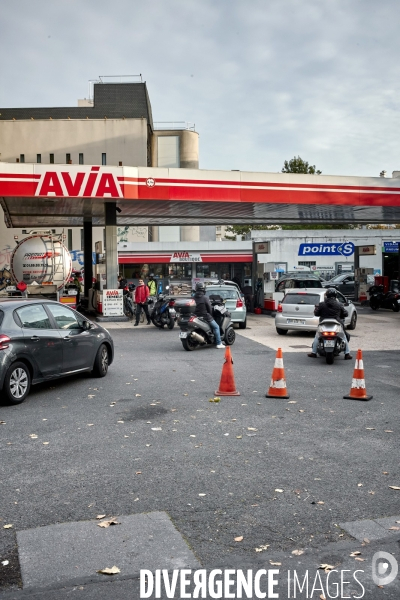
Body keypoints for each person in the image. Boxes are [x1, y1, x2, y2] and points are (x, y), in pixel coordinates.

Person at [308, 287, 352, 359]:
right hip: (337, 322)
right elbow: (345, 314)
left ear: (327, 295)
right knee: (343, 336)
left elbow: (316, 314)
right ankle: (347, 353)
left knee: (317, 336)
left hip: (323, 323)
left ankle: (313, 352)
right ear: (335, 295)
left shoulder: (321, 304)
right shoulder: (339, 304)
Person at [193, 282, 225, 348]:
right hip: (205, 316)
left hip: (195, 316)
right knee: (216, 327)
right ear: (203, 289)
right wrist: (211, 315)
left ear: (196, 289)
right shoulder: (205, 298)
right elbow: (209, 308)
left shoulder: (193, 297)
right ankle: (219, 343)